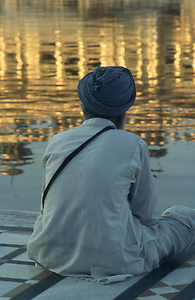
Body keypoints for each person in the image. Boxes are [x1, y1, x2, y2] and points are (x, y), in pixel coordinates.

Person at [27, 66, 195, 284]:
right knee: (184, 218)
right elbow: (148, 217)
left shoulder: (58, 140)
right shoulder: (132, 144)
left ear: (82, 106)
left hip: (47, 254)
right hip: (113, 261)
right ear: (125, 109)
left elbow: (46, 207)